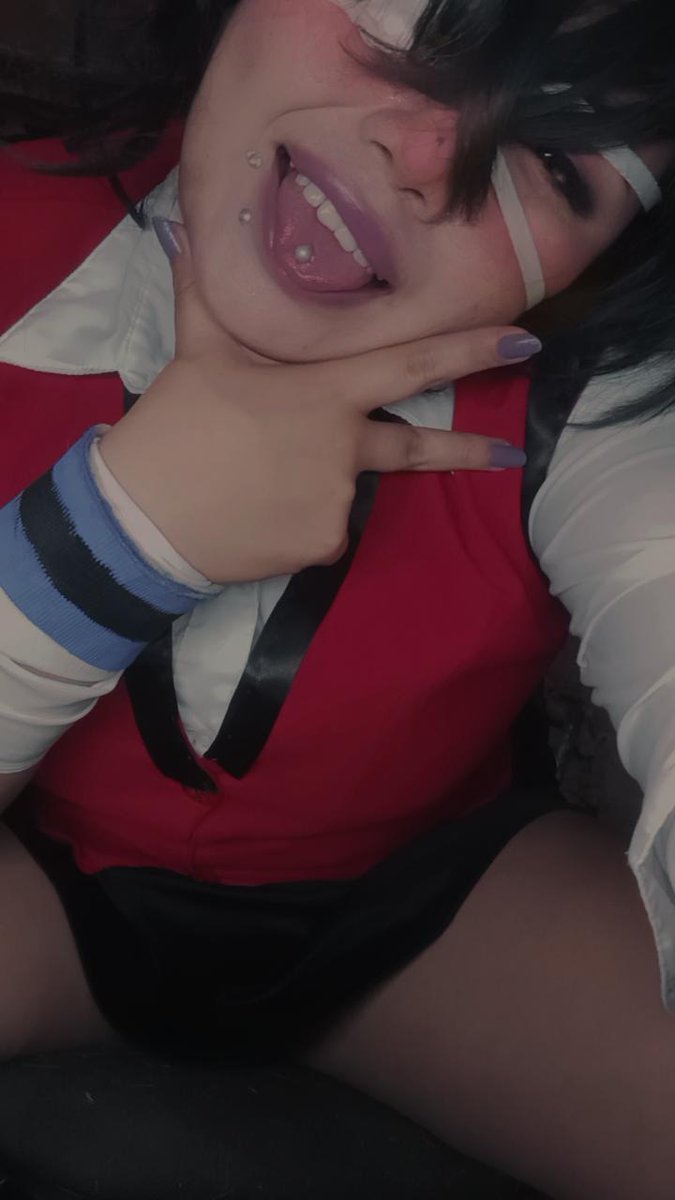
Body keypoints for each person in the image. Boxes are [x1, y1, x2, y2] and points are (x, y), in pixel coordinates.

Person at [0, 0, 675, 1195]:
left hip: (437, 905)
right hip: (40, 890)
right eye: (418, 15)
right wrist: (114, 538)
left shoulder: (591, 413)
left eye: (562, 163)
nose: (431, 158)